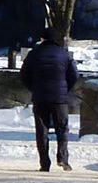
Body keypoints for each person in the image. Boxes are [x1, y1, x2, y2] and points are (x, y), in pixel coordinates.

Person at [19, 27, 79, 171]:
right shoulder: (64, 54)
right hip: (60, 98)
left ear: (43, 39)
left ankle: (44, 164)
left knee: (42, 131)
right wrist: (65, 89)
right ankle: (63, 159)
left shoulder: (34, 54)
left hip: (40, 97)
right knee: (62, 128)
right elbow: (74, 74)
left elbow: (23, 75)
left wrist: (34, 88)